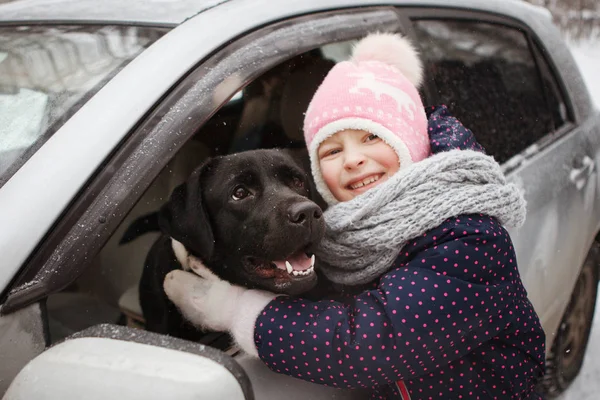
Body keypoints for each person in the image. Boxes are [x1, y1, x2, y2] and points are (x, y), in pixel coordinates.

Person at [164, 33, 546, 399]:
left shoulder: (469, 239)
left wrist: (235, 309)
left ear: (411, 142)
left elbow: (368, 346)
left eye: (371, 137)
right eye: (331, 151)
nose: (353, 159)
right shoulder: (354, 232)